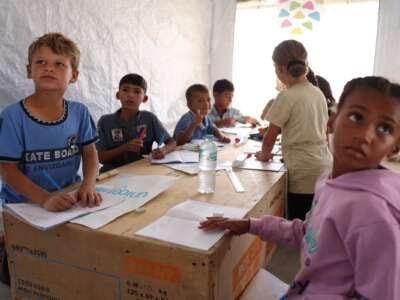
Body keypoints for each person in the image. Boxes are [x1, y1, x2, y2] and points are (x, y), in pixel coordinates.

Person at [200, 76, 400, 299]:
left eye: (384, 128)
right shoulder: (330, 182)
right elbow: (309, 234)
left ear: (395, 147)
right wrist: (250, 225)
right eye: (356, 117)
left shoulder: (373, 215)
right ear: (332, 120)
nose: (365, 135)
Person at [0, 32, 102, 211]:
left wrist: (88, 185)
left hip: (69, 199)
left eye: (59, 64)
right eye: (41, 62)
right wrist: (44, 199)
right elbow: (6, 169)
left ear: (74, 75)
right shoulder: (12, 116)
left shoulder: (80, 112)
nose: (49, 68)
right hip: (23, 207)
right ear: (29, 70)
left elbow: (90, 153)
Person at [256, 40, 332, 220]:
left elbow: (270, 136)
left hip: (302, 174)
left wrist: (263, 156)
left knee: (298, 226)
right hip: (323, 167)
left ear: (280, 68)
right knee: (315, 226)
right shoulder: (317, 92)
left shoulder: (286, 96)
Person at [96, 73, 176, 173]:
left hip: (142, 171)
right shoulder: (105, 121)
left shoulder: (149, 118)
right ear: (118, 95)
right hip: (113, 173)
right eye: (125, 90)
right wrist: (125, 147)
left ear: (145, 98)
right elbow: (101, 158)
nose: (130, 95)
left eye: (137, 91)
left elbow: (172, 142)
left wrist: (164, 150)